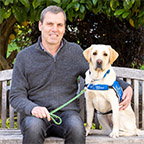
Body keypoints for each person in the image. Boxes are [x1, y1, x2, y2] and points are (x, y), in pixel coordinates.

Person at [9, 5, 133, 144]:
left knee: (76, 128)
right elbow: (16, 96)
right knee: (33, 127)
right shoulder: (24, 57)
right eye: (50, 24)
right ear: (40, 25)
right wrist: (33, 108)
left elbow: (97, 73)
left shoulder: (74, 52)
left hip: (67, 114)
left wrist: (125, 86)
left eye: (59, 25)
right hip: (35, 116)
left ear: (64, 28)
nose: (54, 29)